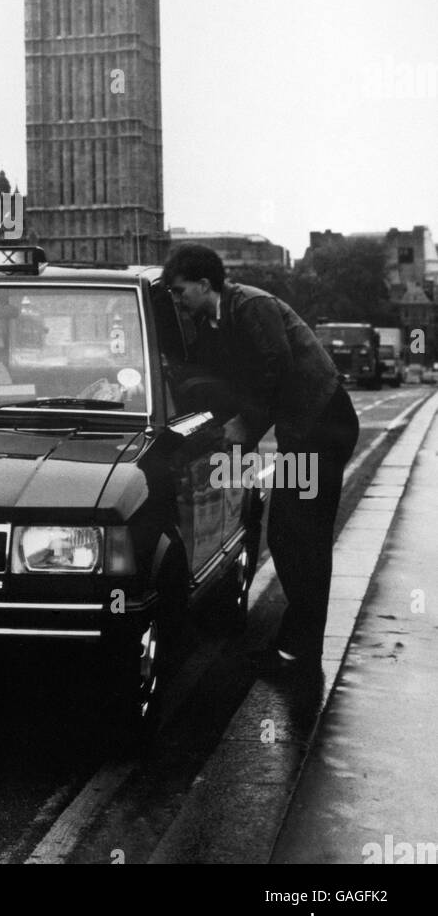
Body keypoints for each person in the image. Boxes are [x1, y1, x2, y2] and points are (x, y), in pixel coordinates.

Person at [162, 243, 359, 679]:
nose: (177, 300)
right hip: (304, 431)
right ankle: (298, 643)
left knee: (297, 536)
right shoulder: (217, 318)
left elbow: (274, 370)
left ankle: (298, 649)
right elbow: (221, 375)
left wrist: (245, 429)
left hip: (324, 426)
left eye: (179, 291)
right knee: (293, 534)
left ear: (204, 284)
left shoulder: (252, 307)